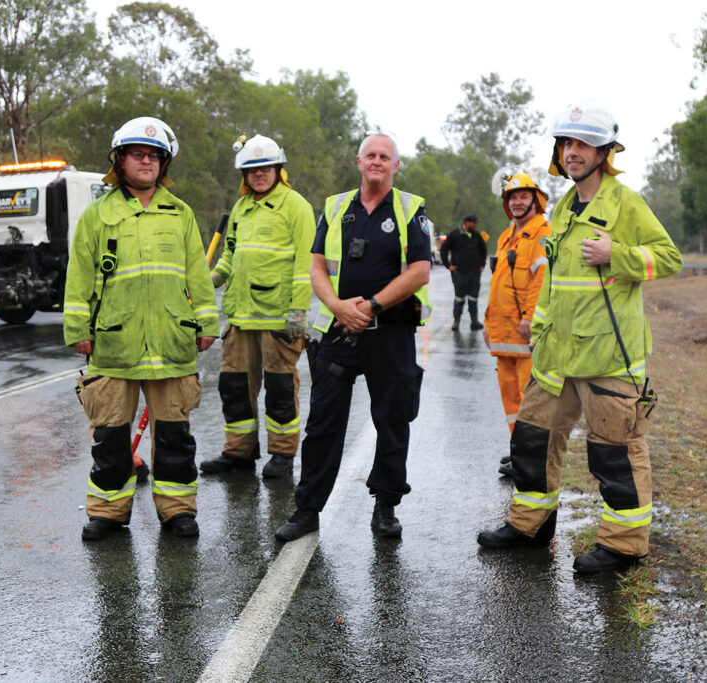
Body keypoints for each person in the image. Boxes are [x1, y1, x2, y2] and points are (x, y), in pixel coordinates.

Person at [476, 103, 683, 575]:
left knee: (614, 452)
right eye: (566, 144)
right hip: (556, 355)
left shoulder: (625, 203)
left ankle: (624, 546)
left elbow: (668, 258)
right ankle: (530, 527)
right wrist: (538, 323)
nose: (572, 153)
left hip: (609, 356)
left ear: (604, 152)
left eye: (582, 144)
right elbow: (555, 277)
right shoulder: (566, 206)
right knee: (532, 440)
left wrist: (619, 254)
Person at [64, 116, 219, 541]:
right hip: (115, 344)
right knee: (110, 438)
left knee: (174, 437)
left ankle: (178, 512)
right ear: (121, 161)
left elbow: (197, 277)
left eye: (154, 156)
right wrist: (78, 327)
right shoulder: (98, 215)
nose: (146, 161)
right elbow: (78, 277)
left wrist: (207, 322)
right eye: (138, 154)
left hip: (172, 343)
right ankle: (108, 514)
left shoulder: (180, 213)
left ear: (163, 164)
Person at [274, 132, 432, 542]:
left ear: (396, 166)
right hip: (340, 331)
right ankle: (307, 510)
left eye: (385, 156)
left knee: (392, 421)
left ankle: (385, 507)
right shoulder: (335, 206)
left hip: (390, 332)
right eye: (370, 155)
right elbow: (317, 266)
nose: (377, 162)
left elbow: (419, 272)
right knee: (323, 423)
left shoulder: (410, 209)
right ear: (358, 162)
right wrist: (340, 307)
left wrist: (371, 306)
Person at [199, 134, 315, 479]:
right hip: (240, 319)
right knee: (234, 389)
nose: (259, 174)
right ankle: (239, 454)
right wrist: (209, 281)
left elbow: (305, 263)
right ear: (244, 175)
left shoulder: (296, 206)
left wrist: (298, 310)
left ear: (278, 169)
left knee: (280, 390)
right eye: (252, 169)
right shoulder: (241, 208)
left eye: (265, 167)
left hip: (279, 321)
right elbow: (230, 257)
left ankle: (281, 454)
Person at [483, 173, 552, 479]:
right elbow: (497, 282)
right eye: (512, 197)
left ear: (536, 200)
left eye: (524, 196)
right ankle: (519, 452)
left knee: (530, 400)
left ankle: (534, 458)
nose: (517, 202)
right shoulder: (505, 236)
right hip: (502, 333)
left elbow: (542, 279)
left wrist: (530, 318)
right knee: (511, 399)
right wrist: (487, 320)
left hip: (526, 333)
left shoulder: (543, 233)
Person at [440, 213, 487, 331]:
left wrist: (482, 264)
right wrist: (448, 265)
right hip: (459, 273)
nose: (476, 225)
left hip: (475, 273)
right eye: (474, 222)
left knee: (473, 298)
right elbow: (444, 249)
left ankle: (474, 322)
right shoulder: (455, 235)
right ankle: (456, 322)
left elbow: (483, 250)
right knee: (459, 298)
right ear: (467, 223)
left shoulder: (476, 235)